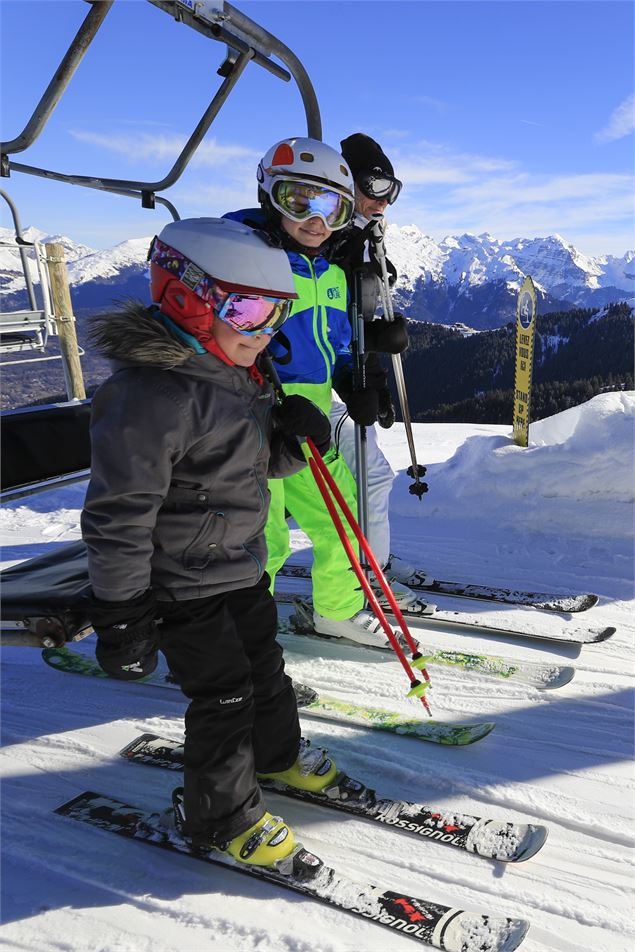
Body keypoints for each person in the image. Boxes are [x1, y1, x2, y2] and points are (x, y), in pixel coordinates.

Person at [81, 217, 340, 868]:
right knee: (223, 694)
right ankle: (219, 818)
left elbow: (241, 468)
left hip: (239, 565)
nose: (266, 329)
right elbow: (118, 515)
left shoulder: (237, 373)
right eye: (248, 309)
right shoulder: (149, 397)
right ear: (186, 298)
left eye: (277, 311)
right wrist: (120, 613)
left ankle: (275, 760)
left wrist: (288, 445)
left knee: (264, 671)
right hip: (179, 582)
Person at [225, 137, 395, 643]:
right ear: (269, 196)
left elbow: (335, 345)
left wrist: (354, 381)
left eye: (333, 206)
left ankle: (337, 613)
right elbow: (224, 343)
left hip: (310, 426)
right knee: (264, 537)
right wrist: (269, 401)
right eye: (299, 200)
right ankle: (241, 635)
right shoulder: (245, 259)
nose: (317, 220)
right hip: (251, 423)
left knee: (344, 522)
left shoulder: (330, 270)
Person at [332, 133, 426, 591]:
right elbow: (308, 325)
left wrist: (373, 372)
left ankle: (372, 562)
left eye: (391, 190)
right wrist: (348, 381)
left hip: (335, 377)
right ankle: (365, 576)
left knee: (364, 480)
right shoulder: (320, 238)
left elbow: (343, 321)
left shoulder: (358, 239)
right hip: (301, 385)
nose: (383, 202)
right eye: (374, 187)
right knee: (368, 479)